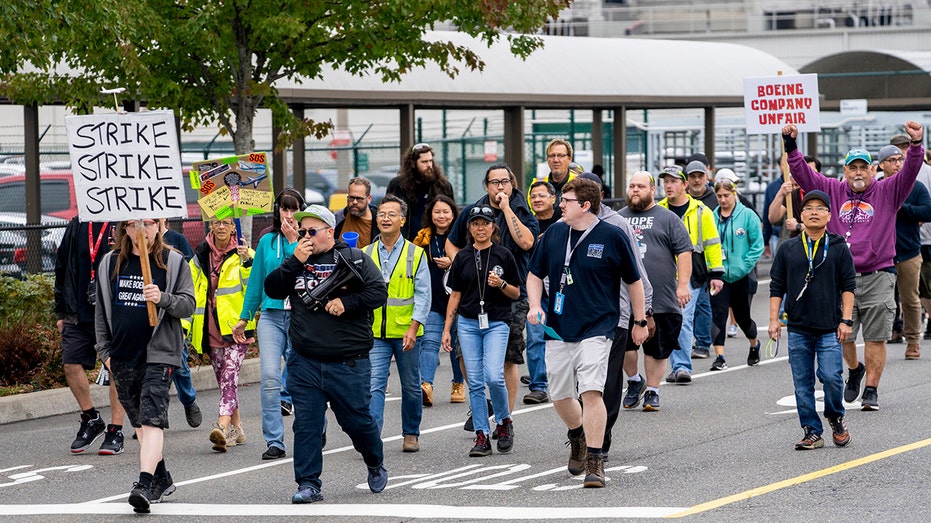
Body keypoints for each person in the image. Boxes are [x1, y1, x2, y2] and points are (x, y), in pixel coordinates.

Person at [782, 120, 925, 411]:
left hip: (878, 274)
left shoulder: (888, 191)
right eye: (853, 168)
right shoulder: (832, 190)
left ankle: (871, 388)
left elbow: (910, 171)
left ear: (874, 170)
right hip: (839, 277)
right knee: (841, 333)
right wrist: (791, 146)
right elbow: (803, 175)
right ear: (845, 171)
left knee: (875, 337)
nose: (859, 173)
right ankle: (855, 370)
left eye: (864, 167)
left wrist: (916, 145)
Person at [527, 178, 648, 489]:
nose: (559, 205)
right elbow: (534, 274)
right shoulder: (554, 233)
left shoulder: (612, 235)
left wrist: (639, 321)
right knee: (560, 395)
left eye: (565, 200)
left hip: (599, 327)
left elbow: (634, 281)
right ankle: (577, 434)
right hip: (558, 327)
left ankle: (595, 460)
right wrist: (535, 305)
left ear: (584, 205)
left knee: (591, 391)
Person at [264, 204, 389, 504]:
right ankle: (309, 483)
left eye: (312, 231)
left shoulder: (355, 258)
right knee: (306, 424)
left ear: (329, 231)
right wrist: (294, 261)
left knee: (357, 422)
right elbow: (273, 288)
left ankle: (374, 461)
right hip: (305, 360)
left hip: (349, 361)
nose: (306, 236)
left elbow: (378, 292)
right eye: (302, 231)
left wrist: (347, 303)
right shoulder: (296, 261)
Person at [94, 218, 195, 513]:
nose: (142, 229)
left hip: (160, 353)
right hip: (122, 354)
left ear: (158, 226)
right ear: (125, 229)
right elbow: (102, 307)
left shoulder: (173, 261)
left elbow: (188, 304)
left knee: (152, 418)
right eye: (134, 224)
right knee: (139, 422)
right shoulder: (110, 263)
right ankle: (161, 477)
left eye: (149, 223)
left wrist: (162, 298)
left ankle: (144, 483)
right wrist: (105, 352)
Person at [447, 163, 538, 418]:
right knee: (463, 354)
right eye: (494, 182)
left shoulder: (520, 208)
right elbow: (451, 243)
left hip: (511, 292)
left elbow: (527, 242)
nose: (500, 186)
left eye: (504, 182)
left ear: (512, 184)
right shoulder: (473, 211)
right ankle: (485, 400)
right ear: (486, 186)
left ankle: (504, 418)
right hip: (474, 295)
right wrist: (463, 266)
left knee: (508, 357)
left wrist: (507, 207)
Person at [768, 190, 856, 450]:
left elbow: (848, 285)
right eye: (808, 208)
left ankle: (835, 417)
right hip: (797, 327)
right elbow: (777, 286)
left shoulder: (839, 247)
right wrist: (774, 320)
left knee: (831, 377)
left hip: (830, 326)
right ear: (801, 216)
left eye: (820, 208)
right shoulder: (788, 248)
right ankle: (811, 431)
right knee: (802, 383)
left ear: (829, 215)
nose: (814, 212)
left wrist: (846, 320)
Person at [442, 206, 521, 457]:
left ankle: (504, 422)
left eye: (485, 224)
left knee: (494, 376)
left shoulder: (504, 254)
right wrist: (446, 329)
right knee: (474, 382)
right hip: (467, 323)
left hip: (497, 322)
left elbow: (516, 292)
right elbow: (455, 294)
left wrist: (502, 284)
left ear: (493, 227)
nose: (480, 228)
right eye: (475, 224)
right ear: (470, 228)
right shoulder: (463, 257)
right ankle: (481, 435)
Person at [232, 188, 304, 460]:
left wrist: (293, 241)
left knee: (303, 378)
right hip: (272, 316)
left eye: (293, 209)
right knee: (271, 378)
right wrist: (244, 317)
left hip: (301, 317)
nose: (288, 215)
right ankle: (274, 440)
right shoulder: (265, 242)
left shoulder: (306, 241)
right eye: (284, 209)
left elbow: (298, 265)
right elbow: (257, 282)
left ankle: (313, 428)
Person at [618, 171, 691, 414]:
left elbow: (684, 251)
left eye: (640, 186)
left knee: (656, 347)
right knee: (626, 346)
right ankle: (634, 380)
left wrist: (683, 285)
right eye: (631, 186)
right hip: (625, 298)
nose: (635, 190)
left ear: (652, 190)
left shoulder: (667, 218)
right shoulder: (618, 218)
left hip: (661, 296)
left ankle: (653, 390)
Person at [53, 217, 126, 455]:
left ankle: (115, 430)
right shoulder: (77, 224)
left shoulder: (122, 221)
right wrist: (60, 310)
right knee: (70, 363)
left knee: (117, 367)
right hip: (77, 311)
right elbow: (62, 264)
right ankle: (91, 418)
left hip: (113, 313)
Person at [364, 195, 431, 453]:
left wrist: (414, 327)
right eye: (381, 214)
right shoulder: (366, 253)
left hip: (407, 333)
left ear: (402, 220)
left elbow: (424, 294)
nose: (385, 218)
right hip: (376, 333)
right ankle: (372, 438)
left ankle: (411, 433)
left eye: (392, 214)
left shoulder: (415, 253)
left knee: (411, 386)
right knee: (374, 386)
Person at [187, 217, 256, 452]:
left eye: (227, 223)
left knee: (229, 376)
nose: (222, 227)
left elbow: (254, 287)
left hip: (237, 327)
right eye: (217, 222)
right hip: (210, 328)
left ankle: (222, 426)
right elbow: (189, 286)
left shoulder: (244, 253)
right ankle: (237, 429)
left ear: (234, 227)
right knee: (226, 381)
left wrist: (247, 261)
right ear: (210, 226)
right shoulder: (201, 254)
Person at [657, 165, 724, 380]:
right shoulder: (658, 209)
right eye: (666, 181)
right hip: (665, 275)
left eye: (674, 181)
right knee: (667, 322)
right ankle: (675, 365)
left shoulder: (701, 211)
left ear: (684, 184)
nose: (668, 185)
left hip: (692, 275)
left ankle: (682, 367)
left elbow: (713, 243)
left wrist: (716, 274)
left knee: (683, 319)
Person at [877, 144, 931, 360]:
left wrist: (904, 209)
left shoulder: (915, 187)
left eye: (900, 159)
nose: (897, 164)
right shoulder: (877, 187)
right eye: (891, 160)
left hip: (909, 252)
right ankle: (882, 337)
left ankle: (913, 341)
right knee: (883, 301)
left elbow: (928, 211)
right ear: (881, 165)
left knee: (910, 299)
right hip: (881, 254)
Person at [412, 195, 466, 405]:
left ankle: (458, 384)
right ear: (430, 215)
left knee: (455, 344)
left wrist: (453, 260)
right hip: (433, 299)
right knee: (430, 342)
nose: (441, 216)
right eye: (437, 212)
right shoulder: (423, 237)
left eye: (446, 212)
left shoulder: (463, 237)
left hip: (459, 300)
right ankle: (426, 386)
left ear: (453, 214)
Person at [710, 179, 763, 369]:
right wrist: (712, 267)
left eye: (726, 195)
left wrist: (744, 266)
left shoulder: (747, 215)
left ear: (734, 194)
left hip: (742, 276)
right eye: (719, 196)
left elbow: (757, 245)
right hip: (719, 276)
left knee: (742, 318)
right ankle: (720, 357)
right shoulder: (712, 217)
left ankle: (754, 344)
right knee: (718, 315)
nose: (723, 200)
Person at [158, 219, 203, 429]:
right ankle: (155, 413)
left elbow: (190, 280)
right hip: (148, 318)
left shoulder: (177, 240)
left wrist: (185, 323)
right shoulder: (136, 245)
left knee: (180, 367)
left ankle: (189, 400)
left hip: (173, 316)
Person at [522, 180, 562, 405]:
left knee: (563, 338)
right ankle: (538, 385)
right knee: (535, 337)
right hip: (535, 288)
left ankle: (566, 381)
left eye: (542, 195)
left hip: (561, 288)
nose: (537, 199)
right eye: (533, 196)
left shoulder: (564, 221)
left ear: (553, 199)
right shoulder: (527, 224)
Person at [387, 143, 454, 239]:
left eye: (431, 161)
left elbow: (453, 215)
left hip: (435, 241)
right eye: (424, 162)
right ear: (413, 164)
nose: (429, 165)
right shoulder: (397, 185)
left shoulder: (443, 186)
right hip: (406, 240)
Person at [528, 139, 579, 207]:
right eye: (552, 156)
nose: (555, 160)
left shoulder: (579, 183)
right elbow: (531, 213)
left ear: (569, 159)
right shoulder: (536, 185)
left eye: (560, 156)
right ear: (547, 159)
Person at [334, 177, 378, 248]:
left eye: (359, 198)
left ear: (369, 198)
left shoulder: (379, 222)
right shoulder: (337, 219)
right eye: (351, 198)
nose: (354, 202)